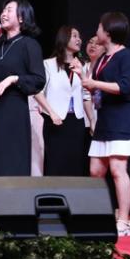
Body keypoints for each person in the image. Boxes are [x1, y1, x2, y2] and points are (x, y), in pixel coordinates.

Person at [0, 0, 45, 212]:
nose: (3, 14)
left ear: (21, 17)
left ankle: (14, 215)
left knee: (11, 162)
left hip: (14, 113)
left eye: (9, 10)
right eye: (3, 10)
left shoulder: (29, 44)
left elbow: (38, 80)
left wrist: (13, 79)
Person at [78, 12, 130, 235]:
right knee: (96, 170)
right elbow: (97, 88)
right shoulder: (103, 58)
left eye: (99, 27)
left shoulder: (127, 56)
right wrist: (87, 83)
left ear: (108, 31)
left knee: (117, 169)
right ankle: (100, 215)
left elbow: (125, 86)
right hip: (105, 118)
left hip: (122, 119)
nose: (96, 31)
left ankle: (124, 220)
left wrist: (95, 84)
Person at [34, 26, 90, 176]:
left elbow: (86, 95)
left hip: (76, 121)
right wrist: (51, 112)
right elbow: (37, 91)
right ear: (64, 38)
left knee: (75, 164)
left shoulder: (82, 65)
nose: (79, 39)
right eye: (74, 36)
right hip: (55, 120)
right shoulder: (48, 64)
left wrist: (92, 121)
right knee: (55, 163)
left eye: (79, 36)